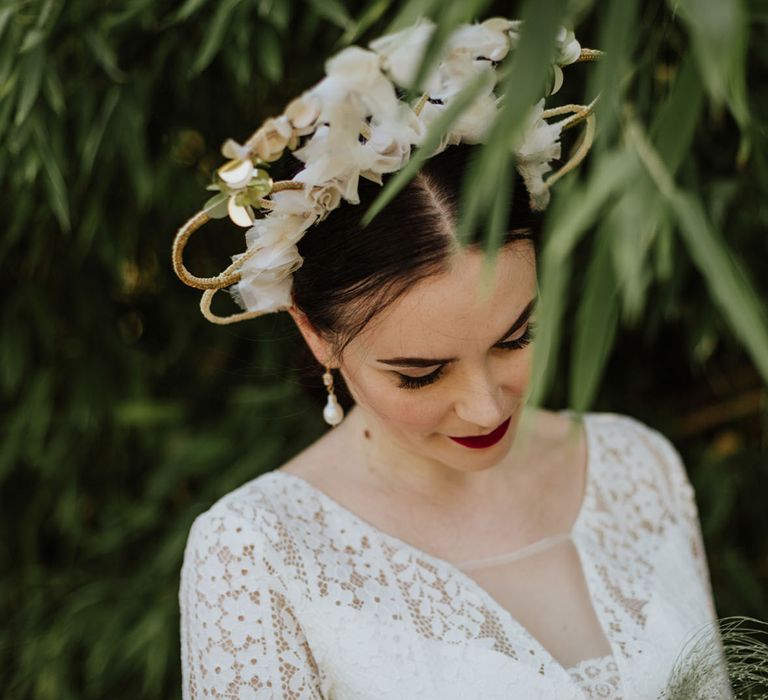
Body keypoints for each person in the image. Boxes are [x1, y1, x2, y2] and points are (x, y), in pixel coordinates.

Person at [175, 17, 731, 699]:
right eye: (421, 373)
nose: (486, 406)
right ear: (315, 334)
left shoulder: (639, 469)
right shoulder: (259, 554)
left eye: (516, 338)